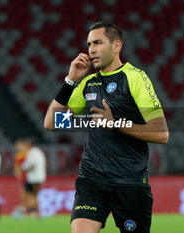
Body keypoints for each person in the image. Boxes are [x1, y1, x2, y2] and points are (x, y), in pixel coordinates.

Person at [44, 21, 169, 233]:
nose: (91, 49)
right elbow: (51, 123)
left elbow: (161, 133)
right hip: (92, 179)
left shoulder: (135, 78)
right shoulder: (88, 83)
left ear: (116, 46)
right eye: (89, 44)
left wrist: (116, 124)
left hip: (129, 181)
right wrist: (70, 81)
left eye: (98, 42)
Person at [20, 139, 47, 218]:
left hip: (34, 178)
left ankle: (34, 212)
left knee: (32, 195)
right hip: (40, 177)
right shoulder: (39, 151)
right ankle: (35, 211)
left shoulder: (31, 152)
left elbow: (32, 165)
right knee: (33, 194)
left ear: (30, 144)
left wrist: (24, 168)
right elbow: (45, 164)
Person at [11, 139, 29, 219]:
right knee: (23, 195)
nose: (17, 147)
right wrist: (17, 173)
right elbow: (16, 166)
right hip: (24, 178)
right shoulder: (18, 156)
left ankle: (31, 211)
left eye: (19, 145)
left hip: (30, 178)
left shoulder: (28, 154)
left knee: (30, 195)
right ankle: (24, 211)